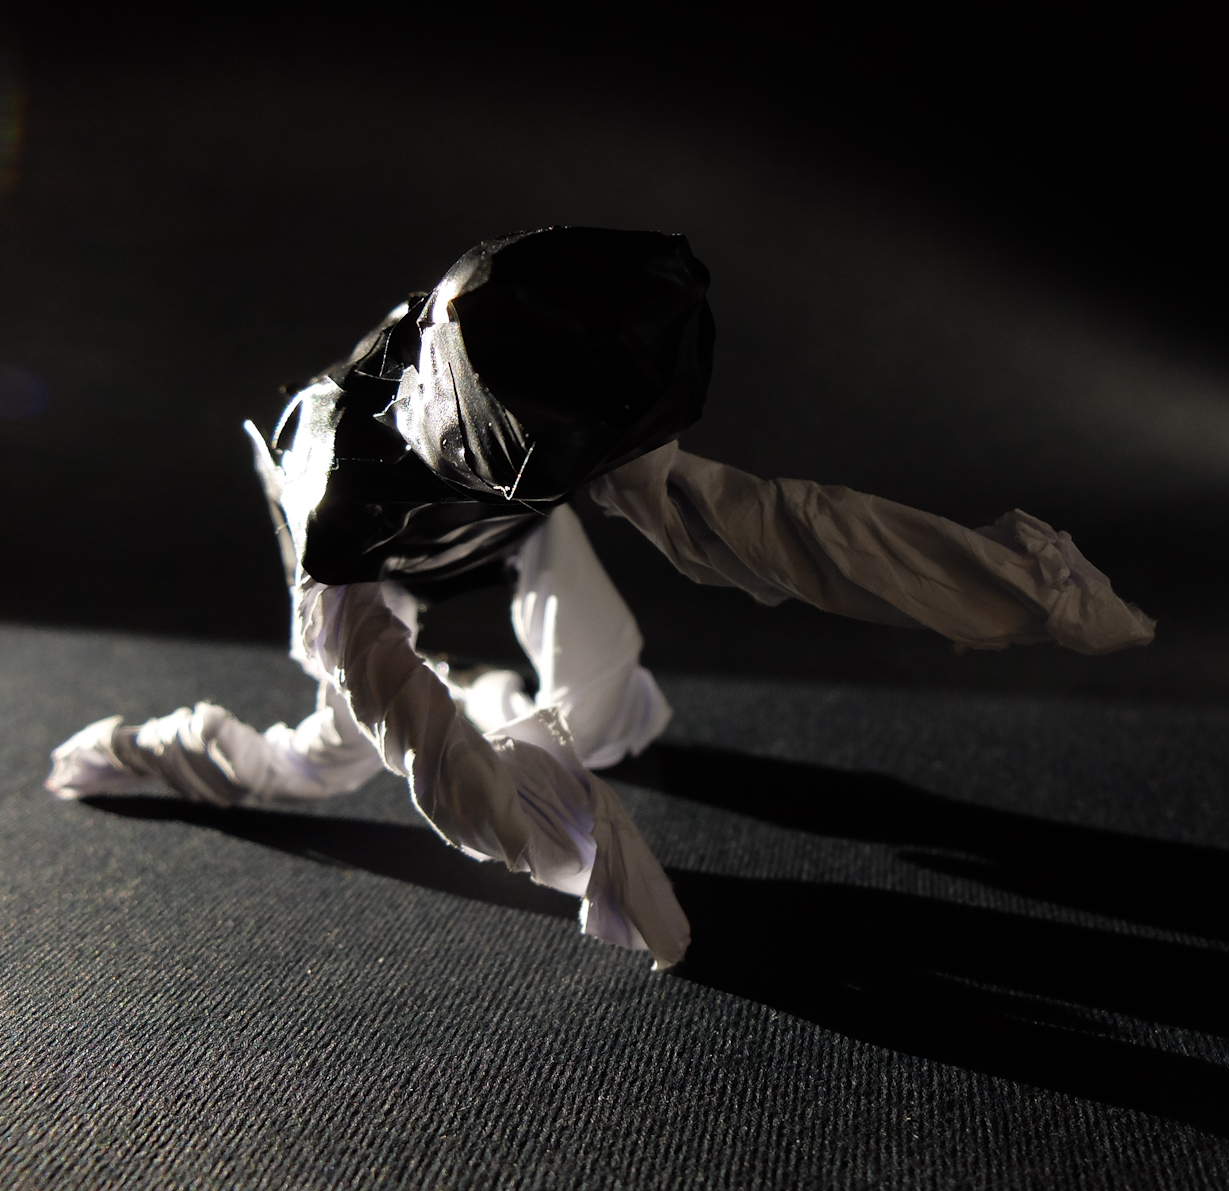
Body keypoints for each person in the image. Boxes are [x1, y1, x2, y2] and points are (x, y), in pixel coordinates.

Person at [45, 227, 1155, 970]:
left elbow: (767, 525)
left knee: (608, 703)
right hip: (374, 572)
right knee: (328, 758)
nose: (622, 461)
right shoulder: (342, 494)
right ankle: (140, 752)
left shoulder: (545, 391)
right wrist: (575, 841)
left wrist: (1015, 587)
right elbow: (418, 737)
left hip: (512, 515)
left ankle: (537, 705)